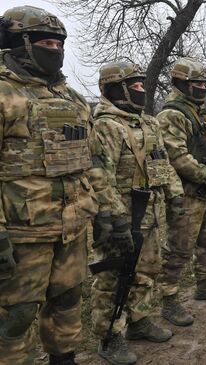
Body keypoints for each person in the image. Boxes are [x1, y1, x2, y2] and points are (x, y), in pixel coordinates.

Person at [0, 7, 97, 365]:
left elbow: (92, 160)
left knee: (68, 299)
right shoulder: (4, 95)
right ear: (19, 43)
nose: (54, 49)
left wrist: (102, 212)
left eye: (59, 43)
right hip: (22, 234)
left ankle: (64, 357)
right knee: (16, 314)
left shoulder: (72, 99)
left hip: (71, 226)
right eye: (45, 42)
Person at [87, 61, 182, 365]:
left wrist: (174, 194)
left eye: (143, 85)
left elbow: (162, 162)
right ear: (117, 89)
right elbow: (100, 175)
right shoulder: (105, 126)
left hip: (151, 212)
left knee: (147, 271)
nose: (142, 91)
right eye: (136, 86)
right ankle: (109, 335)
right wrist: (115, 218)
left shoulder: (149, 123)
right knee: (114, 278)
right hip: (122, 217)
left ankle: (138, 321)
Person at [156, 57, 206, 328]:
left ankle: (204, 282)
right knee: (180, 247)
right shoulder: (172, 114)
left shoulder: (199, 112)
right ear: (180, 83)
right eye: (196, 83)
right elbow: (176, 156)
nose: (202, 87)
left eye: (203, 83)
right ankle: (169, 298)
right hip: (187, 191)